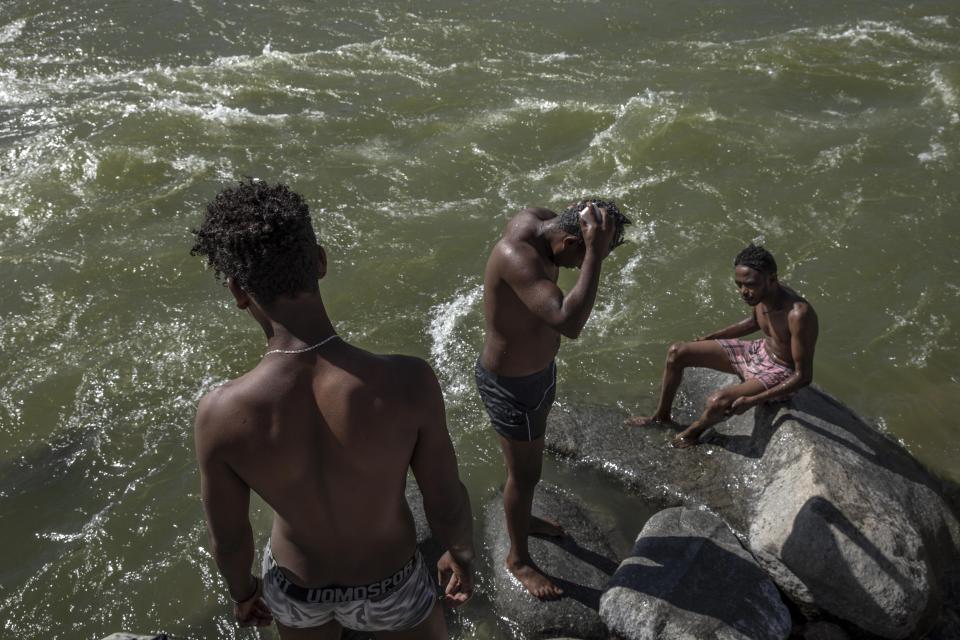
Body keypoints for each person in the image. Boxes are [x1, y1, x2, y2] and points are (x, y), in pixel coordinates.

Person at [190, 179, 474, 639]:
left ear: (238, 291)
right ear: (320, 261)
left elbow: (230, 537)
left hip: (296, 589)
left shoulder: (219, 414)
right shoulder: (408, 381)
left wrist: (243, 593)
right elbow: (443, 497)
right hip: (392, 585)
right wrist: (461, 553)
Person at [476, 199, 630, 599]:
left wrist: (595, 238)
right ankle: (518, 560)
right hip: (513, 386)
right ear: (567, 241)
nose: (580, 269)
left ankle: (521, 518)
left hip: (536, 376)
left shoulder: (544, 222)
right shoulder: (516, 256)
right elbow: (569, 322)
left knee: (528, 467)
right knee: (524, 475)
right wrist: (595, 253)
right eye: (580, 257)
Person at [626, 243, 819, 448]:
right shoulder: (761, 297)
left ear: (772, 279)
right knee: (677, 352)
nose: (744, 292)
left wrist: (753, 400)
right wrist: (711, 337)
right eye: (739, 285)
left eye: (750, 285)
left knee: (717, 402)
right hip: (758, 351)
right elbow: (753, 323)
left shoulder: (799, 314)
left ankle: (693, 433)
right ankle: (661, 417)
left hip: (779, 370)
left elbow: (803, 377)